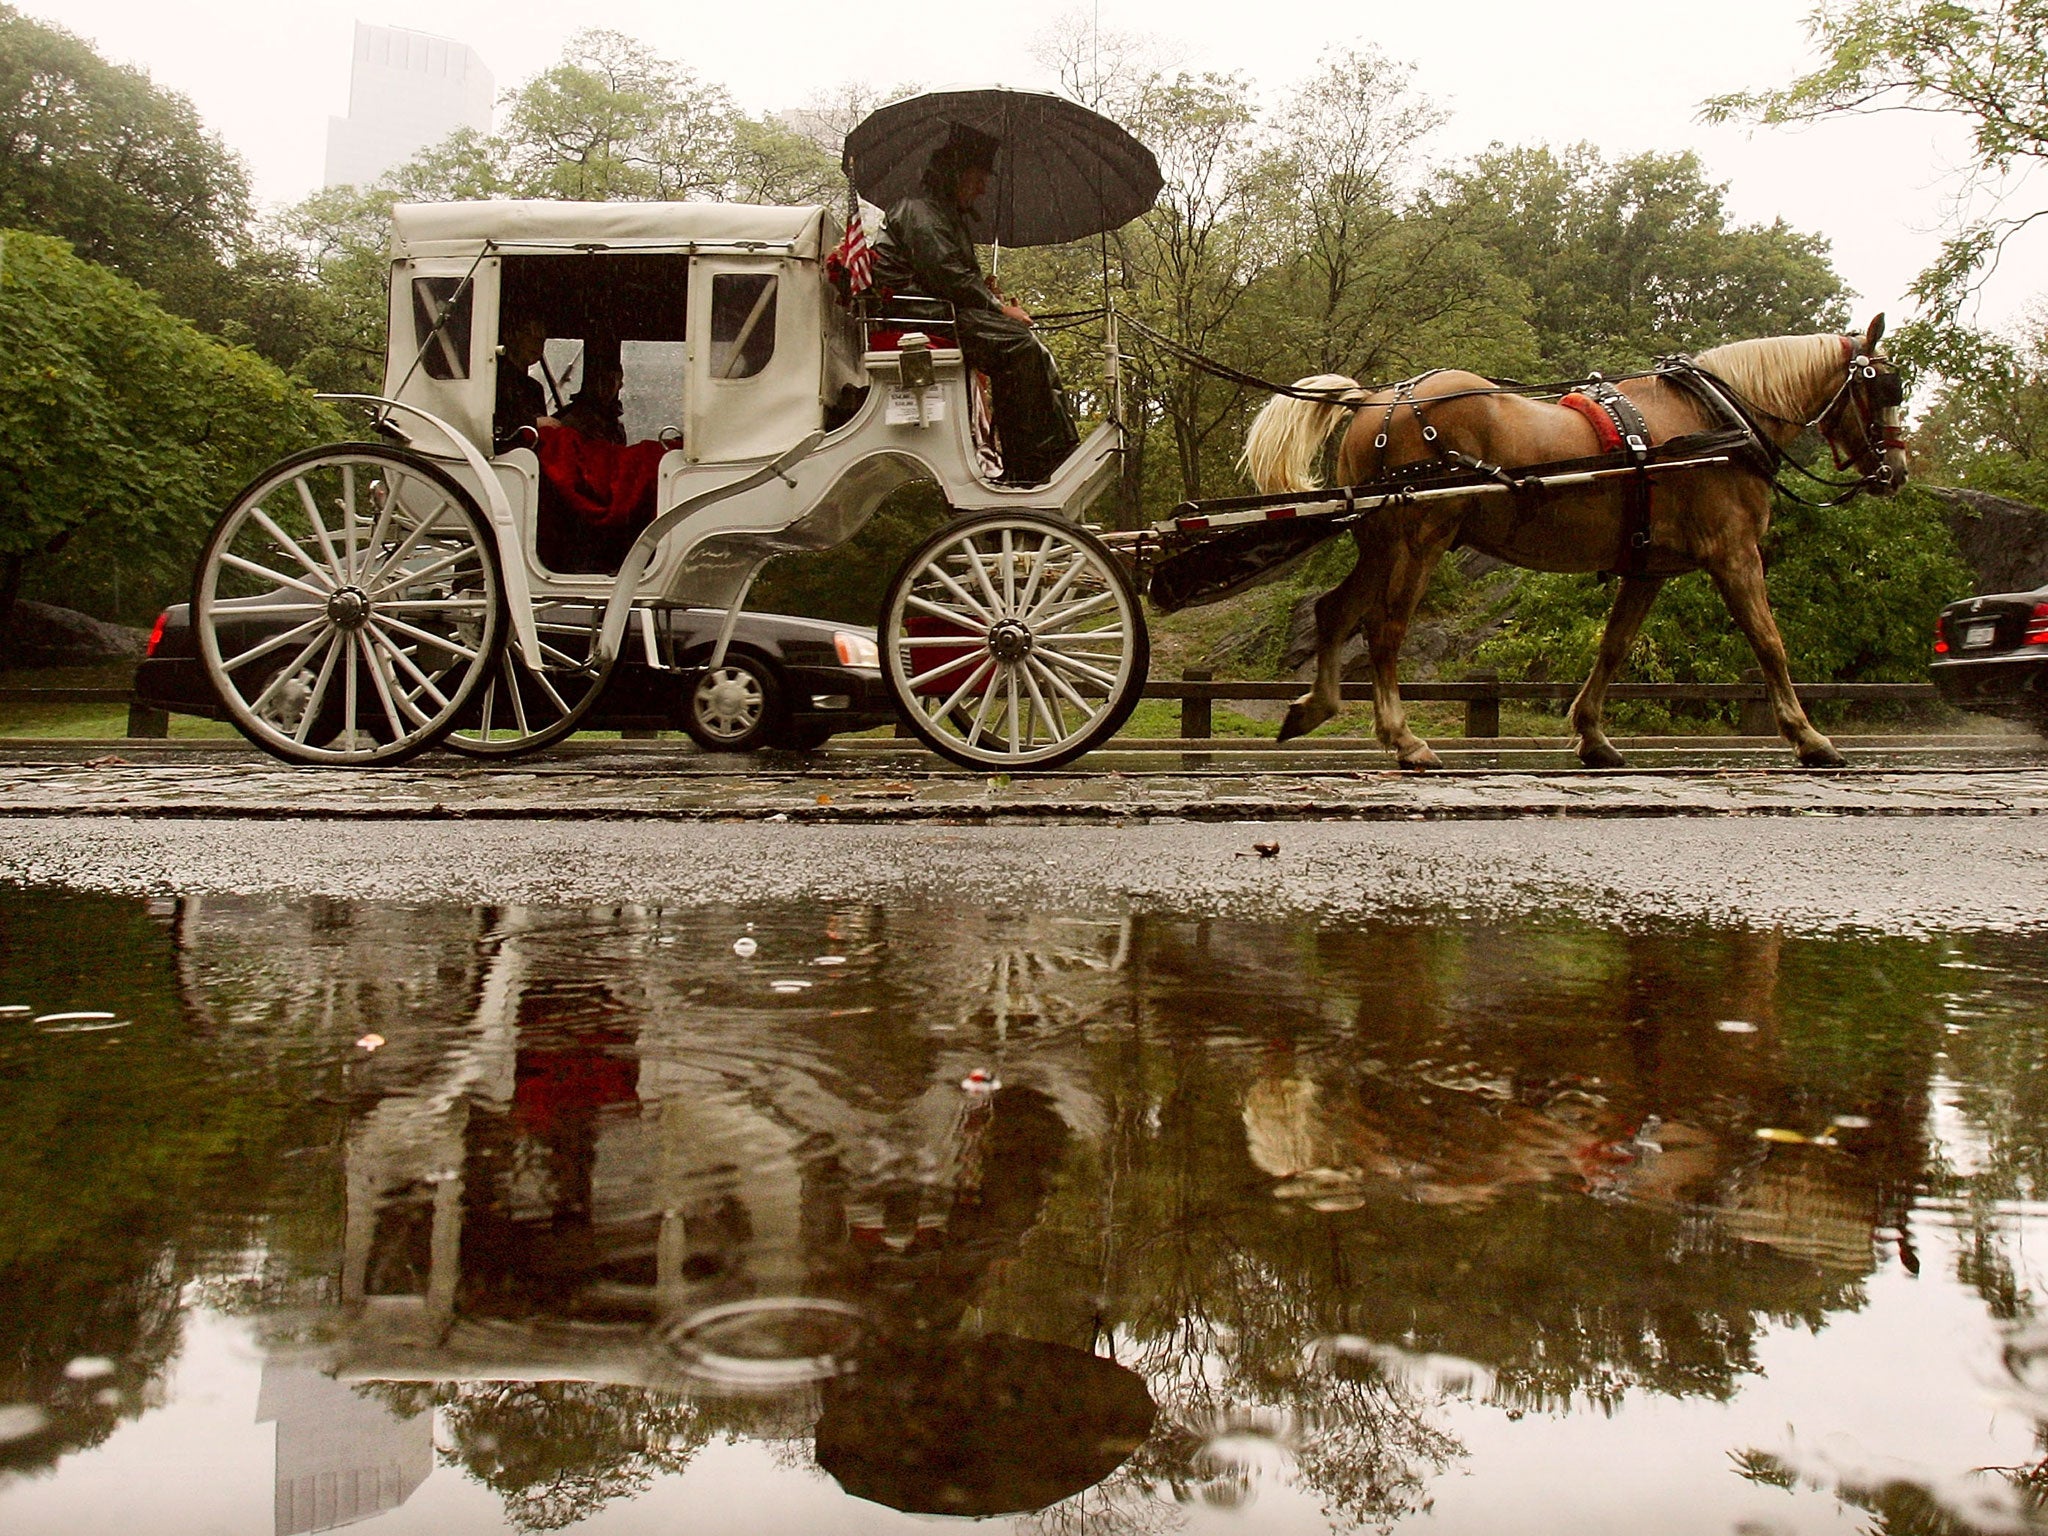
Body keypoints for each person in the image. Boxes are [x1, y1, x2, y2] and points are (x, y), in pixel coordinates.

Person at [867, 123, 1079, 487]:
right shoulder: (919, 211)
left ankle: (1052, 449)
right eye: (979, 178)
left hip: (935, 309)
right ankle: (1029, 463)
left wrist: (989, 293)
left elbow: (951, 274)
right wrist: (997, 309)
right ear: (956, 174)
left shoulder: (939, 212)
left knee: (1030, 348)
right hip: (921, 314)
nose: (983, 188)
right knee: (1018, 347)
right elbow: (946, 274)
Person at [493, 315, 560, 449]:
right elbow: (489, 425)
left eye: (541, 339)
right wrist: (533, 423)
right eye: (529, 334)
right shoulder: (494, 380)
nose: (536, 343)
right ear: (510, 336)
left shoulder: (534, 388)